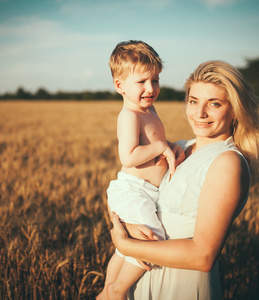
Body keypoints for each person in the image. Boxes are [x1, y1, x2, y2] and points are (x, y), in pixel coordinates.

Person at [109, 60, 259, 299]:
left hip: (180, 287)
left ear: (235, 109)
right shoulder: (180, 148)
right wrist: (129, 227)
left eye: (214, 104)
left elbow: (203, 256)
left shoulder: (227, 162)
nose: (200, 113)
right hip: (142, 280)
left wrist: (125, 244)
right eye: (193, 101)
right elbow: (132, 190)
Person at [96, 40, 185, 300]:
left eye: (155, 80)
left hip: (146, 192)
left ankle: (105, 292)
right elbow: (129, 156)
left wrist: (170, 147)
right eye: (142, 82)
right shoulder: (129, 116)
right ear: (120, 86)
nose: (150, 88)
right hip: (134, 190)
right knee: (151, 238)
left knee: (126, 249)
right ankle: (119, 289)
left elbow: (156, 143)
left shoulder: (150, 110)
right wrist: (160, 146)